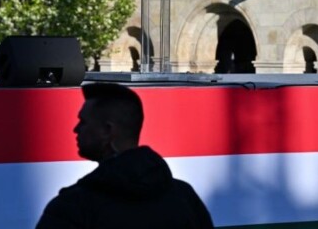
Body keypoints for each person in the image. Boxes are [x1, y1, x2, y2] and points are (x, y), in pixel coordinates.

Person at [35, 82, 214, 229]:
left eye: (83, 122)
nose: (76, 129)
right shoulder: (184, 197)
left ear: (107, 131)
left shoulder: (74, 206)